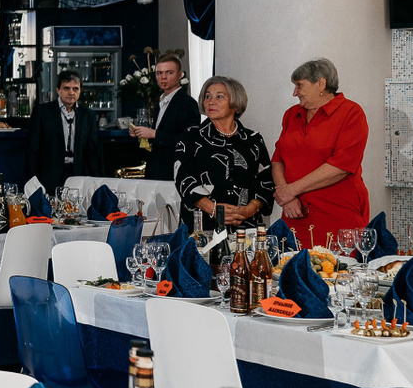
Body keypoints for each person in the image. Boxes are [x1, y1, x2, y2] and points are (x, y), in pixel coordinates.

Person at [271, 57, 371, 249]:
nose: (295, 93)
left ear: (320, 84)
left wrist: (291, 190)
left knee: (336, 266)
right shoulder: (291, 114)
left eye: (299, 86)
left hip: (336, 213)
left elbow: (341, 166)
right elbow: (277, 159)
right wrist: (287, 197)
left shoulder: (351, 112)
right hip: (294, 212)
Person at [172, 77, 274, 230]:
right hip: (202, 225)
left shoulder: (253, 139)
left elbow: (266, 181)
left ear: (236, 104)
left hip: (245, 225)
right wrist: (214, 209)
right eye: (207, 96)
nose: (211, 102)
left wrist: (250, 209)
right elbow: (183, 178)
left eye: (219, 96)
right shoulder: (191, 136)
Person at [23, 70, 102, 197]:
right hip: (48, 175)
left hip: (77, 176)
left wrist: (97, 181)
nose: (71, 93)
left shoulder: (88, 115)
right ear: (58, 90)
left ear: (80, 91)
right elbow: (33, 149)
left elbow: (92, 152)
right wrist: (32, 181)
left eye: (75, 89)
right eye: (66, 88)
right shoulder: (42, 112)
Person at [131, 50, 197, 180]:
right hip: (157, 169)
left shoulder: (187, 103)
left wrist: (153, 134)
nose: (163, 77)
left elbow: (188, 141)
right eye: (159, 73)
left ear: (180, 75)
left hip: (174, 172)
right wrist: (141, 134)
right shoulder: (162, 101)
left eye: (169, 72)